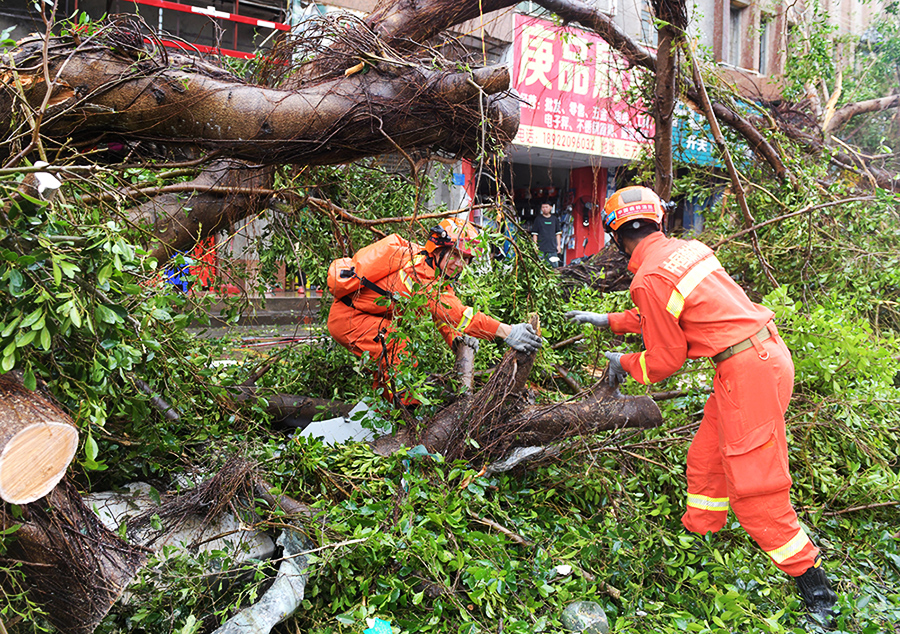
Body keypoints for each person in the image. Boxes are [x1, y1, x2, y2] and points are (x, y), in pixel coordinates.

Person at [565, 186, 838, 623]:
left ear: (616, 235)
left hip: (749, 374)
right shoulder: (687, 250)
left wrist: (624, 362)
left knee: (755, 492)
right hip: (759, 359)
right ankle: (700, 541)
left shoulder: (648, 278)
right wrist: (610, 321)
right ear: (658, 221)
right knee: (706, 459)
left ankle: (818, 595)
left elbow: (665, 359)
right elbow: (681, 311)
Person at [328, 218, 543, 404]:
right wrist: (508, 331)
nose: (459, 264)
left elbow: (441, 316)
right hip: (349, 319)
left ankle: (383, 410)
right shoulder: (419, 273)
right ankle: (407, 412)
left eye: (465, 259)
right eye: (455, 255)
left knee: (391, 353)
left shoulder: (433, 272)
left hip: (363, 317)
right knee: (396, 346)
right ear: (438, 250)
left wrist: (456, 340)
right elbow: (456, 313)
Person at [530, 202, 562, 267]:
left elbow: (558, 234)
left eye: (546, 207)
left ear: (551, 208)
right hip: (541, 249)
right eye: (543, 207)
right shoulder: (538, 219)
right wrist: (535, 246)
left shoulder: (554, 219)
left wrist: (558, 245)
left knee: (554, 268)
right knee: (539, 267)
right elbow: (535, 234)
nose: (545, 209)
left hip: (552, 248)